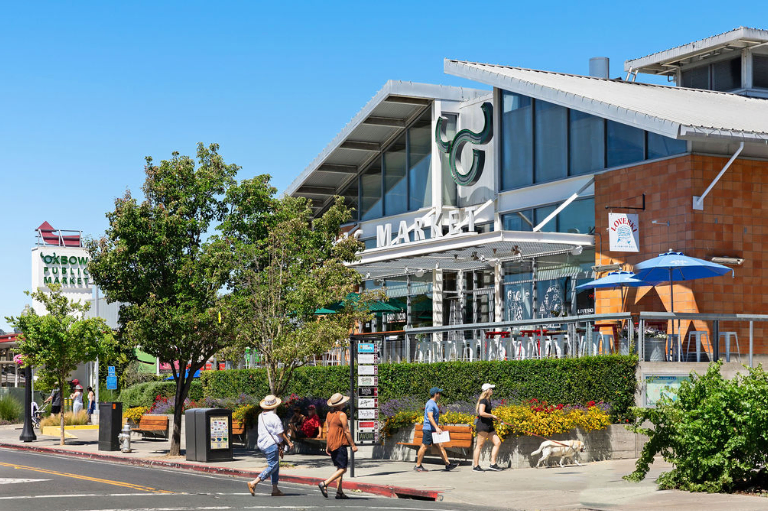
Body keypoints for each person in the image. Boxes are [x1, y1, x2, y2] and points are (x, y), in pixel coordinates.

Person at [246, 395, 293, 497]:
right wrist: (288, 442)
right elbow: (280, 433)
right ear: (275, 406)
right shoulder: (274, 417)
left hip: (263, 443)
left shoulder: (261, 415)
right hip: (270, 444)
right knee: (273, 466)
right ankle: (254, 482)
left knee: (275, 466)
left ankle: (275, 489)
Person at [317, 393, 357, 499]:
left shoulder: (328, 414)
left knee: (339, 467)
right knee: (343, 469)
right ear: (340, 404)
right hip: (339, 444)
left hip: (332, 444)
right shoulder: (341, 415)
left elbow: (328, 430)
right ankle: (325, 483)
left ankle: (339, 492)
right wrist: (353, 445)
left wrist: (327, 445)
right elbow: (347, 431)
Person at [414, 387, 458, 472]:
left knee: (440, 446)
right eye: (439, 393)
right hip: (429, 429)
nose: (440, 395)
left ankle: (448, 464)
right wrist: (437, 427)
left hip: (433, 429)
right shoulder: (430, 404)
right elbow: (430, 417)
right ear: (435, 394)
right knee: (424, 446)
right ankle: (418, 465)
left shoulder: (433, 403)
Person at [473, 383, 502, 472]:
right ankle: (476, 466)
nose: (492, 390)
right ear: (487, 390)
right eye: (491, 389)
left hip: (489, 426)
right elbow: (481, 413)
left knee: (497, 442)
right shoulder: (483, 401)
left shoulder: (488, 400)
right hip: (483, 426)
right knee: (479, 445)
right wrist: (492, 416)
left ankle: (493, 464)